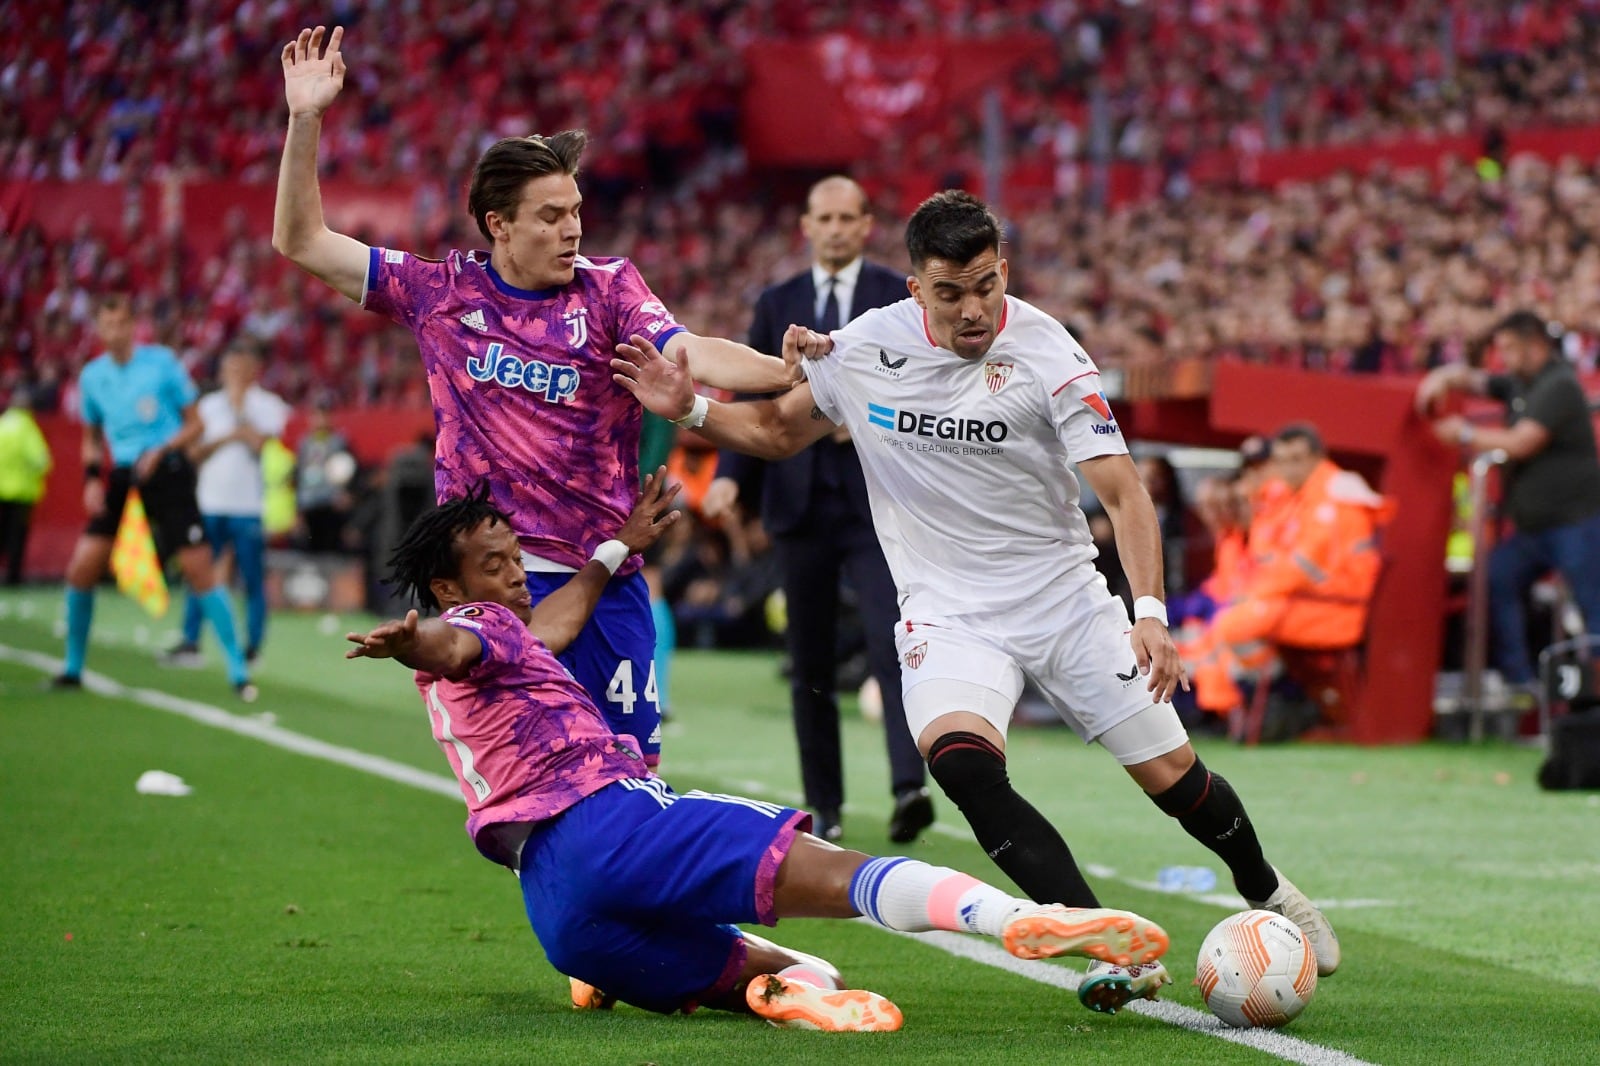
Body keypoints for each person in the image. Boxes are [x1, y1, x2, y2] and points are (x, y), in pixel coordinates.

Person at [613, 190, 1340, 1012]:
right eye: (950, 292)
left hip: (1063, 598)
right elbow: (779, 431)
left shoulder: (1050, 355)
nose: (973, 309)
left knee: (1172, 777)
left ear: (1005, 272)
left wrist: (1149, 615)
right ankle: (1100, 937)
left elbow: (1126, 497)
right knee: (959, 761)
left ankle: (1266, 886)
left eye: (987, 286)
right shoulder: (864, 346)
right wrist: (696, 409)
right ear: (915, 288)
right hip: (948, 610)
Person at [343, 478, 1170, 1028]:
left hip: (557, 909)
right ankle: (1019, 918)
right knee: (843, 874)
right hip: (608, 822)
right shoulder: (474, 630)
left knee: (805, 967)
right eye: (497, 567)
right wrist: (418, 641)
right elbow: (459, 645)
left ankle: (770, 993)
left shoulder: (498, 644)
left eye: (518, 560)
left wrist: (606, 551)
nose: (518, 578)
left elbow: (549, 629)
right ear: (449, 591)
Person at [273, 25, 799, 770]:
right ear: (499, 225)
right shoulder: (440, 294)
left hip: (606, 572)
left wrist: (781, 370)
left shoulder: (611, 288)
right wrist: (306, 119)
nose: (572, 229)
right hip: (497, 584)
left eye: (576, 211)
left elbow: (691, 351)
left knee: (634, 785)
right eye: (551, 216)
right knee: (531, 791)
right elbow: (301, 240)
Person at [703, 175, 932, 844]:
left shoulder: (897, 295)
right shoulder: (777, 302)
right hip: (796, 502)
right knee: (808, 662)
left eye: (846, 218)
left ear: (866, 225)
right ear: (806, 225)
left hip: (876, 502)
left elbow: (921, 381)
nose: (834, 228)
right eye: (823, 217)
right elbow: (748, 392)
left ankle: (907, 786)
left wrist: (863, 418)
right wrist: (730, 479)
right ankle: (824, 807)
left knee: (897, 645)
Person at [54, 293, 255, 699]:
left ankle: (237, 671)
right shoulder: (93, 377)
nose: (114, 333)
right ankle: (73, 668)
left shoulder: (161, 364)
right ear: (98, 330)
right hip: (124, 475)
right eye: (106, 326)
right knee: (82, 568)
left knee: (199, 570)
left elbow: (196, 425)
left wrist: (162, 450)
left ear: (133, 325)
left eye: (121, 323)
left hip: (168, 473)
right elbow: (92, 437)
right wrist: (92, 477)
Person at [1416, 310, 1600, 699]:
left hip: (1575, 521)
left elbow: (1522, 442)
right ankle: (1520, 682)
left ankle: (1593, 693)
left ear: (1534, 344)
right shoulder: (1521, 384)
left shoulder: (1559, 385)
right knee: (1497, 579)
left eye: (1510, 349)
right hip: (1533, 527)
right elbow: (1477, 380)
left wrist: (1464, 432)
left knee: (1592, 605)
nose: (1504, 357)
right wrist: (1443, 376)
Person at [1205, 423, 1392, 725]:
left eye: (1297, 459)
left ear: (1317, 457)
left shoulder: (1330, 496)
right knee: (1224, 621)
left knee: (1232, 625)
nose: (1289, 468)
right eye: (1282, 460)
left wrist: (1255, 593)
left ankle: (1284, 699)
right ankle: (1252, 706)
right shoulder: (1303, 496)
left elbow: (1301, 567)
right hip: (1311, 601)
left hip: (1335, 608)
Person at [165, 338, 290, 667]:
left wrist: (238, 410)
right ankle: (190, 642)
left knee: (252, 580)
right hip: (210, 502)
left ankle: (253, 648)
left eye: (240, 368)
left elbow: (260, 444)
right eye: (229, 368)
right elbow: (193, 452)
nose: (233, 374)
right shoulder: (207, 406)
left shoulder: (267, 404)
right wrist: (230, 435)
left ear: (253, 371)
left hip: (248, 506)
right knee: (199, 573)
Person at [0, 385, 52, 585]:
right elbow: (41, 460)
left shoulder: (2, 424)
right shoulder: (27, 428)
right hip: (21, 491)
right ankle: (13, 576)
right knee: (16, 537)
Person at [293, 398, 354, 555]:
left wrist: (346, 494)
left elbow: (349, 471)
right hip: (309, 504)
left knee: (329, 551)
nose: (320, 421)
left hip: (330, 504)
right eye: (317, 416)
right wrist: (297, 510)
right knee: (308, 552)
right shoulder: (304, 444)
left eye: (324, 416)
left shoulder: (340, 442)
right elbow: (299, 476)